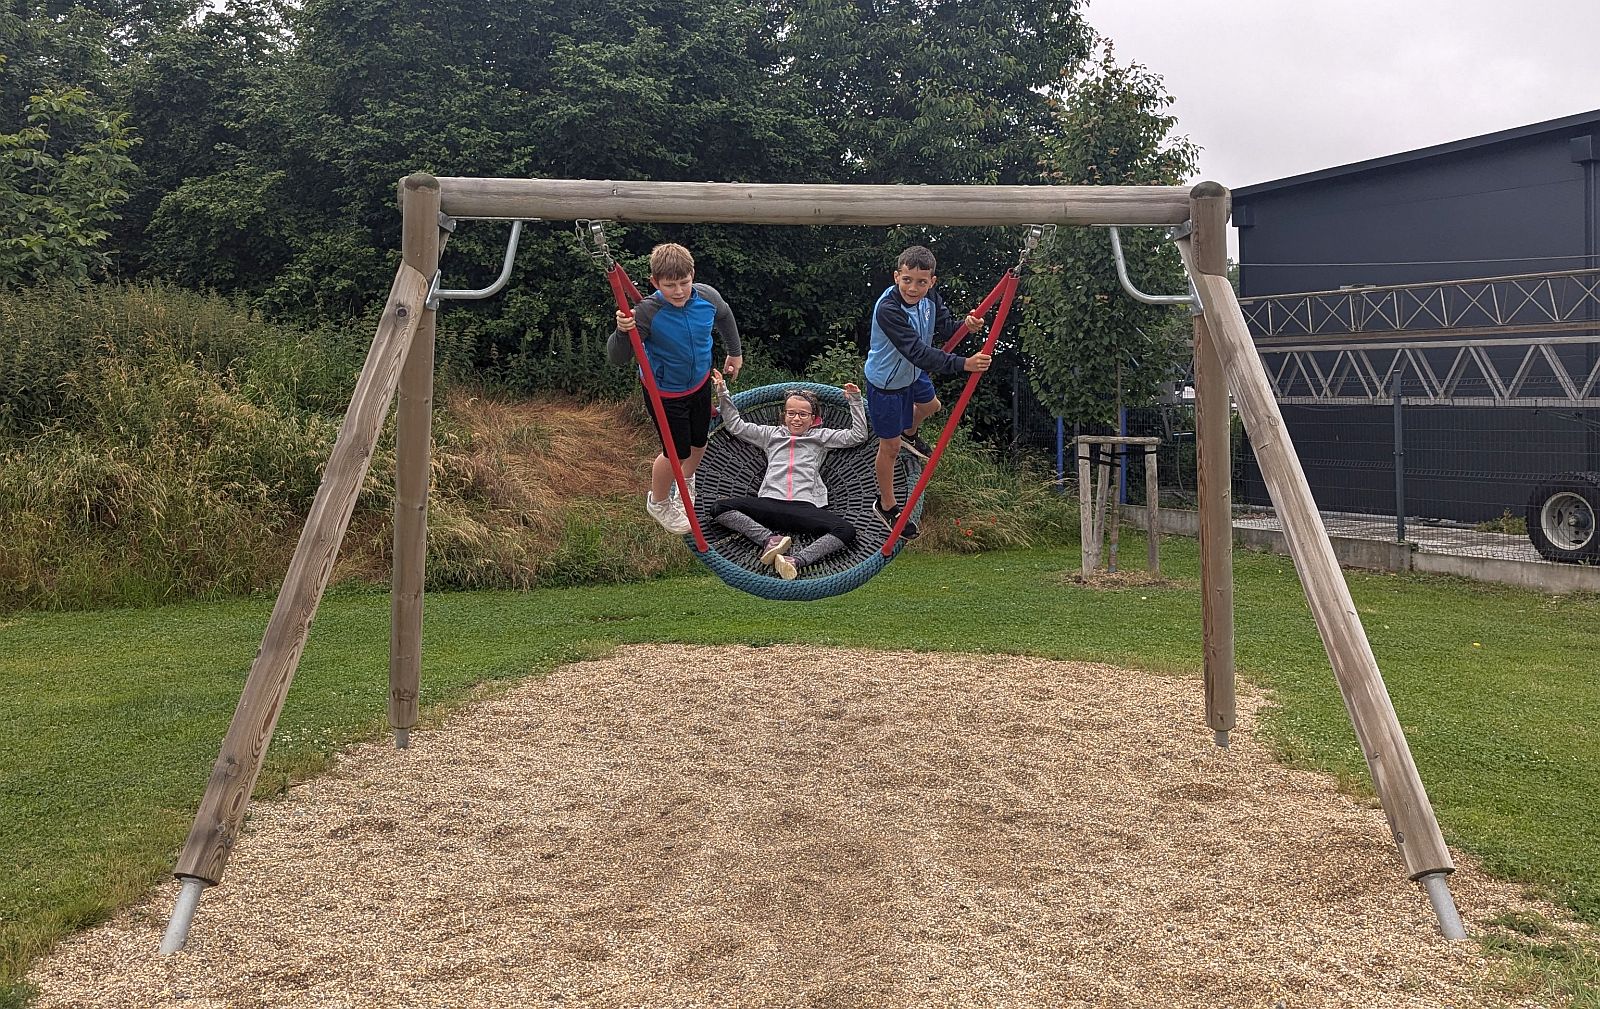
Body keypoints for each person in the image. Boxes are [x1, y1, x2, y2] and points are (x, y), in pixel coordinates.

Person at [609, 243, 743, 534]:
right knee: (675, 453)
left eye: (684, 282)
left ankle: (686, 480)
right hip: (666, 392)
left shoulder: (706, 296)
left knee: (700, 441)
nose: (679, 291)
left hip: (699, 383)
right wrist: (622, 331)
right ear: (655, 282)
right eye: (670, 286)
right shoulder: (647, 313)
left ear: (693, 275)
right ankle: (658, 501)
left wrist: (735, 352)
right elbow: (618, 358)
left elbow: (724, 314)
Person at [863, 244, 990, 538]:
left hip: (911, 373)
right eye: (907, 280)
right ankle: (886, 505)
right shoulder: (889, 309)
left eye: (921, 282)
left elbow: (945, 326)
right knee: (890, 448)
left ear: (932, 281)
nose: (913, 288)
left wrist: (966, 325)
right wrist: (964, 364)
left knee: (932, 406)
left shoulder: (930, 298)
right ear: (897, 276)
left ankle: (910, 433)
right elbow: (917, 352)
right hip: (887, 384)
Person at [707, 371, 868, 580]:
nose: (796, 419)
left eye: (803, 414)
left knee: (846, 530)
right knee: (719, 508)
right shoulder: (770, 435)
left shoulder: (821, 437)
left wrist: (855, 400)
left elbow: (858, 435)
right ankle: (769, 540)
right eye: (791, 413)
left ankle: (795, 561)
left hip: (803, 508)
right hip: (769, 503)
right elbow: (736, 426)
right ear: (784, 415)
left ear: (813, 419)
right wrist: (722, 392)